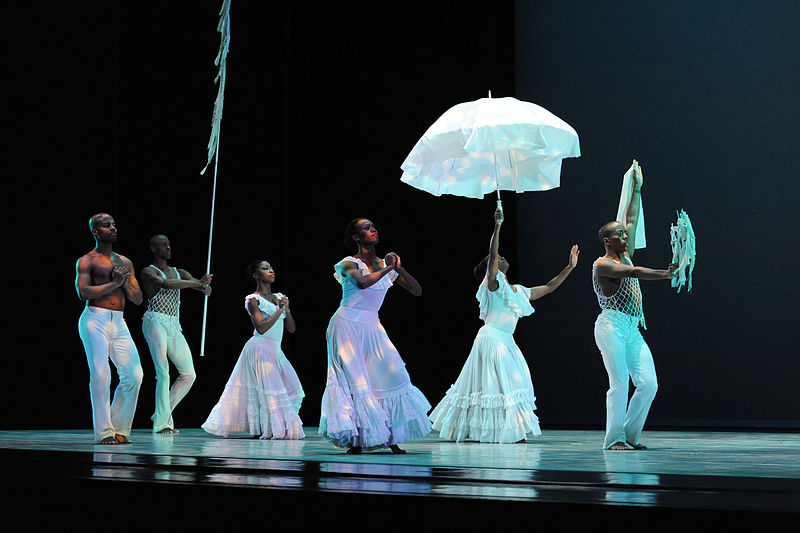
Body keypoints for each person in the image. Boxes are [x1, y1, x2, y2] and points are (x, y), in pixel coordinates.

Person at [430, 207, 579, 443]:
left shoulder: (518, 291)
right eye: (498, 259)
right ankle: (509, 431)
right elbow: (493, 253)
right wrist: (497, 225)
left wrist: (570, 267)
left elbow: (549, 287)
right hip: (492, 339)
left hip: (507, 341)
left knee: (511, 382)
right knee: (500, 385)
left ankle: (502, 428)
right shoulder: (492, 286)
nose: (502, 258)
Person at [319, 218, 431, 454]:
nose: (373, 229)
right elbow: (362, 283)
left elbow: (417, 290)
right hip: (346, 326)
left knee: (391, 375)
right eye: (366, 228)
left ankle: (392, 438)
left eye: (373, 227)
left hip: (372, 327)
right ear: (356, 237)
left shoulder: (383, 265)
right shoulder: (348, 263)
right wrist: (389, 269)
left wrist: (398, 268)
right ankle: (357, 441)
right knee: (357, 381)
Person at [593, 160, 678, 450]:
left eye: (625, 234)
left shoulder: (624, 252)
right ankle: (614, 438)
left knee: (649, 384)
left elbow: (631, 218)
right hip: (611, 326)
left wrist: (637, 188)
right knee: (619, 384)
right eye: (620, 235)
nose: (626, 236)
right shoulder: (602, 264)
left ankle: (629, 436)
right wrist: (665, 274)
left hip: (631, 328)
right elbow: (635, 272)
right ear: (607, 241)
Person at [202, 260, 304, 440]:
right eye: (265, 268)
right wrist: (279, 311)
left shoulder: (279, 297)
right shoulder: (252, 300)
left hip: (275, 350)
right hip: (260, 348)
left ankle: (274, 426)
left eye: (271, 267)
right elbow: (261, 327)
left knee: (293, 387)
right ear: (255, 275)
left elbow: (292, 328)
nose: (271, 270)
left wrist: (286, 310)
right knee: (270, 391)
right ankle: (272, 429)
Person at [75, 213, 144, 445]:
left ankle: (119, 428)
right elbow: (83, 292)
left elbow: (137, 299)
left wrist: (123, 283)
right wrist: (114, 283)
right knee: (101, 374)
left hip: (119, 321)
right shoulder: (87, 260)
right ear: (95, 232)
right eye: (107, 226)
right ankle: (104, 432)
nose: (113, 228)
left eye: (114, 224)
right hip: (95, 319)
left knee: (134, 375)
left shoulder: (125, 262)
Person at [140, 234, 212, 434]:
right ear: (154, 249)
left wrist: (204, 287)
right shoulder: (148, 271)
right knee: (163, 372)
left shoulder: (180, 272)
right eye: (164, 245)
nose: (169, 248)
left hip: (173, 324)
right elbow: (165, 284)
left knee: (189, 374)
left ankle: (161, 414)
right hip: (155, 320)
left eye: (169, 245)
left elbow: (200, 285)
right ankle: (162, 424)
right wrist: (197, 284)